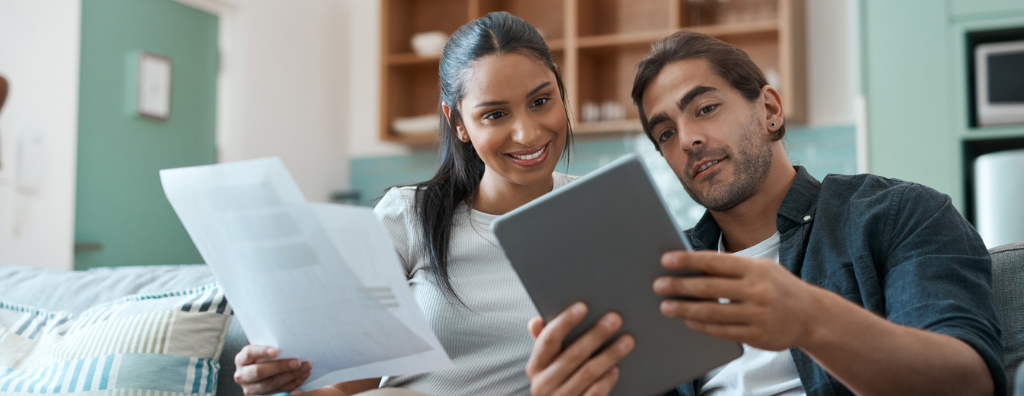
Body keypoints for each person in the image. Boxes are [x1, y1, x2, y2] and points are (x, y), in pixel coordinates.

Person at [231, 12, 632, 396]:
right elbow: (343, 387)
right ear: (458, 122)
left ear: (560, 92)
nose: (527, 133)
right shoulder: (408, 216)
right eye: (494, 114)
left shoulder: (605, 211)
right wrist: (281, 384)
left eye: (541, 101)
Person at [627, 31, 1004, 395]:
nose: (688, 139)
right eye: (666, 134)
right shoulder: (662, 275)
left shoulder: (897, 213)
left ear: (770, 109)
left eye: (706, 109)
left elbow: (966, 383)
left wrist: (809, 319)